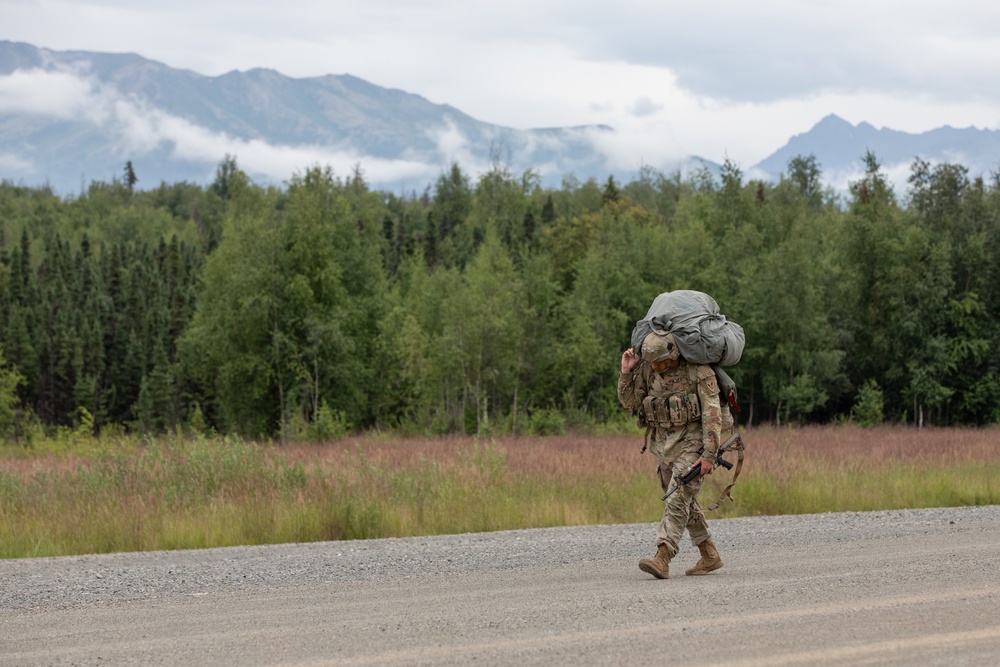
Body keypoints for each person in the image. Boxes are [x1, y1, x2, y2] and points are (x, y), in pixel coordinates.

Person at [617, 329, 726, 579]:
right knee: (681, 496)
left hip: (695, 441)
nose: (656, 366)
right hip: (665, 445)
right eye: (651, 361)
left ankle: (663, 557)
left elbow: (712, 415)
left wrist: (710, 454)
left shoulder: (699, 372)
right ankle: (708, 553)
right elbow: (630, 402)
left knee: (678, 493)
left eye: (660, 361)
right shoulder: (648, 370)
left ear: (674, 354)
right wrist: (626, 372)